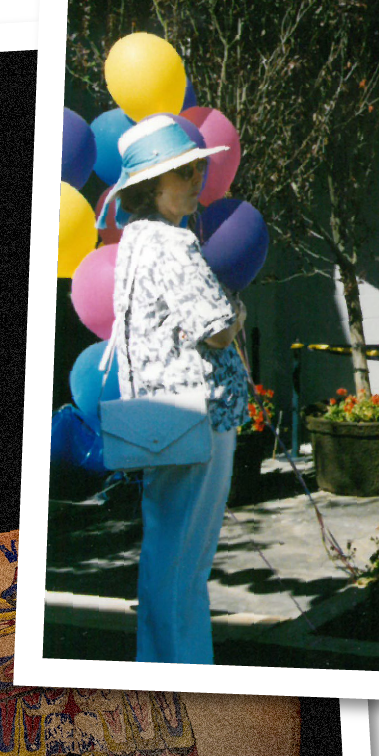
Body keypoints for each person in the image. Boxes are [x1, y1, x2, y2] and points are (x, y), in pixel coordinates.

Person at [106, 114, 250, 664]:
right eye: (182, 173)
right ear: (150, 185)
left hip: (159, 413)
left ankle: (163, 666)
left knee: (166, 552)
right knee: (186, 560)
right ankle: (184, 672)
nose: (195, 181)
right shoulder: (173, 243)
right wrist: (236, 309)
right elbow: (215, 329)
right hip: (199, 413)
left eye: (196, 169)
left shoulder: (135, 239)